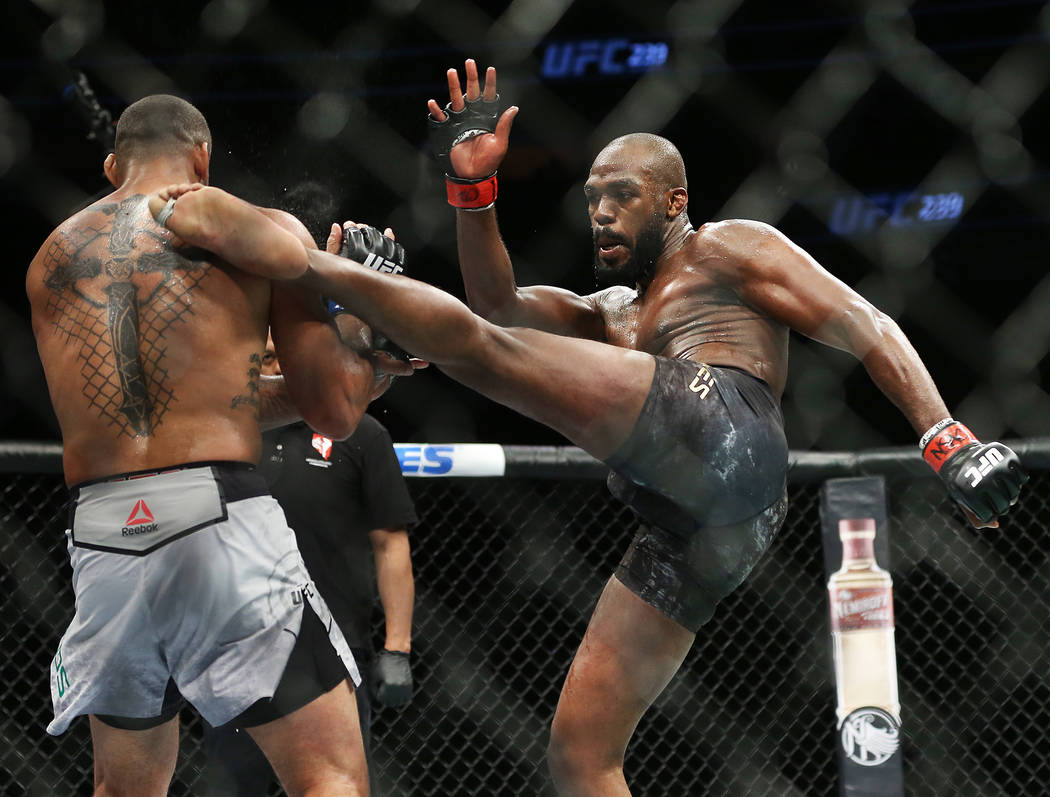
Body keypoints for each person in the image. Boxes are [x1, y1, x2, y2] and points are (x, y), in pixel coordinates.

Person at [148, 61, 1027, 792]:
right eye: (591, 196)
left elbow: (864, 321)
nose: (600, 211)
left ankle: (323, 274)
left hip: (727, 423)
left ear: (675, 199)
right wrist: (471, 188)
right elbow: (497, 304)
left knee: (474, 350)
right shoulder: (609, 314)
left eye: (622, 195)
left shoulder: (728, 248)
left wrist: (944, 434)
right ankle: (371, 324)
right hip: (703, 526)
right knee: (580, 754)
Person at [26, 93, 418, 797]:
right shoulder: (256, 232)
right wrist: (352, 331)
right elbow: (328, 411)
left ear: (114, 164)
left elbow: (193, 406)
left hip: (101, 536)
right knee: (329, 776)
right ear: (201, 158)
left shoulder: (51, 256)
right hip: (215, 518)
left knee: (123, 789)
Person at [202, 334, 417, 797]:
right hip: (236, 644)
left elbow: (390, 543)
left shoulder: (358, 431)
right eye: (262, 357)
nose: (272, 366)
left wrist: (397, 647)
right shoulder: (220, 432)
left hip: (333, 647)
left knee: (337, 786)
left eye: (282, 356)